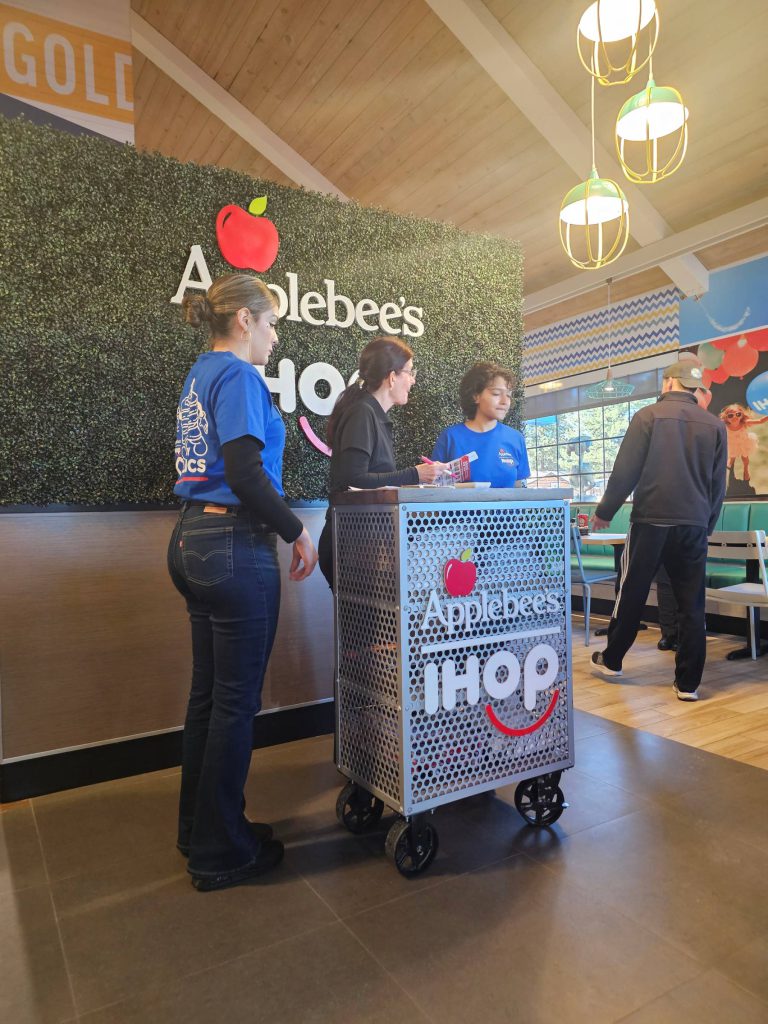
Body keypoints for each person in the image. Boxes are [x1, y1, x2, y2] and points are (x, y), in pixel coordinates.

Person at [168, 273, 318, 891]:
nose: (277, 337)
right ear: (245, 321)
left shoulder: (199, 374)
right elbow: (246, 472)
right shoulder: (239, 376)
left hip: (190, 539)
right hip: (233, 545)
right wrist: (296, 531)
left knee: (209, 700)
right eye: (274, 323)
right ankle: (222, 851)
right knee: (234, 705)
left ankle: (200, 830)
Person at [590, 361, 727, 701]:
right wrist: (706, 523)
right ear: (694, 388)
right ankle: (688, 684)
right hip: (694, 523)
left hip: (651, 519)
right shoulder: (715, 425)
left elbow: (625, 471)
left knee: (632, 592)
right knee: (691, 603)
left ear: (668, 383)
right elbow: (717, 484)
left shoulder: (647, 416)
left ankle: (612, 660)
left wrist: (605, 512)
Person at [318, 335, 449, 588]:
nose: (413, 380)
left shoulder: (370, 413)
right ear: (391, 377)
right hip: (353, 546)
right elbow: (352, 480)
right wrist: (415, 475)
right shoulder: (363, 413)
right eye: (410, 372)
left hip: (363, 544)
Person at [431, 362, 530, 487]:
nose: (505, 401)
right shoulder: (451, 437)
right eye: (496, 394)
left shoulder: (516, 438)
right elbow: (434, 487)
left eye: (509, 395)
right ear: (475, 396)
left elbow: (520, 488)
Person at [719, 404, 768, 483]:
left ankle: (745, 468)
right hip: (732, 444)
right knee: (732, 456)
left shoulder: (744, 423)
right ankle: (728, 467)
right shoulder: (725, 426)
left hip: (744, 442)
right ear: (726, 418)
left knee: (745, 458)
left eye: (738, 414)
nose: (735, 417)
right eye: (731, 415)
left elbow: (760, 421)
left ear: (741, 415)